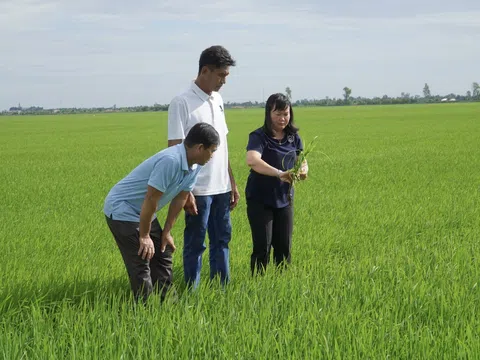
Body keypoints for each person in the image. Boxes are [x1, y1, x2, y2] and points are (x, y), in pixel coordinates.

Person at [104, 123, 220, 303]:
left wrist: (166, 232)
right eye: (212, 151)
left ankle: (169, 304)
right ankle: (144, 311)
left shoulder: (195, 165)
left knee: (163, 253)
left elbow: (180, 198)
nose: (212, 156)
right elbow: (151, 199)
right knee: (142, 259)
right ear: (199, 148)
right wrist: (144, 236)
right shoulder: (171, 161)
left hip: (144, 210)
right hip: (123, 209)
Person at [167, 45, 239, 290]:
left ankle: (222, 289)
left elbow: (223, 145)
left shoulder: (217, 100)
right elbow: (175, 150)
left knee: (222, 240)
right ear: (205, 70)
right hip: (196, 190)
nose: (223, 81)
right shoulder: (181, 102)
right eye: (221, 75)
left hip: (221, 187)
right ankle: (192, 292)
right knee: (196, 243)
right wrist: (184, 191)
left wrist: (232, 182)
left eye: (226, 76)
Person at [245, 93, 308, 276]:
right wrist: (279, 174)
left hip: (285, 198)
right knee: (262, 247)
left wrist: (303, 170)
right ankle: (258, 284)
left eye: (286, 114)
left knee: (284, 247)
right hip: (261, 199)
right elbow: (252, 160)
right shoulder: (259, 136)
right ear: (268, 113)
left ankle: (282, 284)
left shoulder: (293, 137)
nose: (282, 119)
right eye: (278, 114)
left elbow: (301, 159)